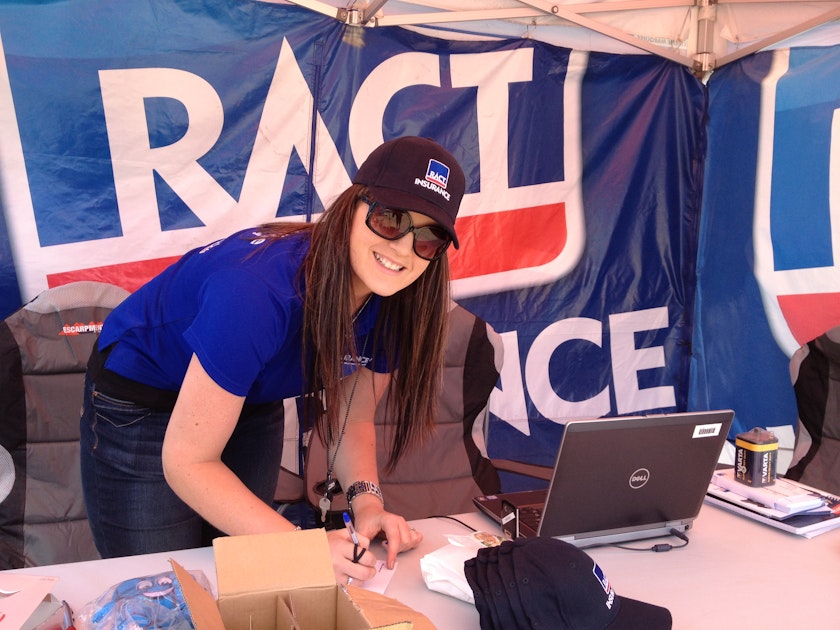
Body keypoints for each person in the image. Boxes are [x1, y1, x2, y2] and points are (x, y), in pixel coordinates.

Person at [80, 136, 466, 586]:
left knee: (248, 571)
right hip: (144, 400)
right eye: (391, 219)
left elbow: (352, 415)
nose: (403, 248)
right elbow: (188, 461)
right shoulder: (256, 291)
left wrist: (368, 504)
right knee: (164, 585)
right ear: (351, 207)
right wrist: (305, 548)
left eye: (429, 237)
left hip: (248, 394)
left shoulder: (397, 298)